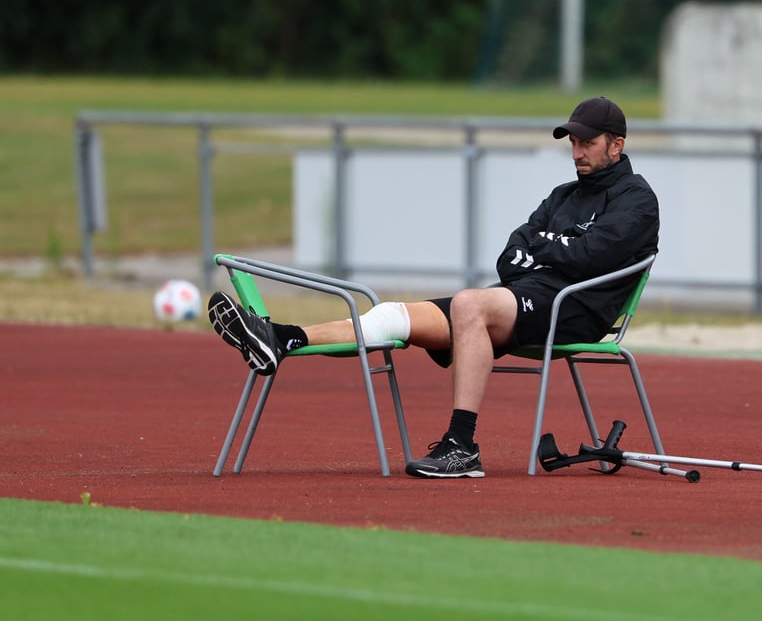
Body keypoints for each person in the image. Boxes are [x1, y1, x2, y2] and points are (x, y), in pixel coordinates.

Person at [207, 96, 659, 479]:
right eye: (574, 142)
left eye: (588, 142)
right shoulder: (564, 195)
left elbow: (587, 259)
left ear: (616, 145)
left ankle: (461, 447)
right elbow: (511, 252)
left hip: (573, 311)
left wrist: (540, 250)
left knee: (469, 303)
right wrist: (544, 250)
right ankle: (282, 337)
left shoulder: (637, 200)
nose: (577, 152)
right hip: (522, 299)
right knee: (392, 315)